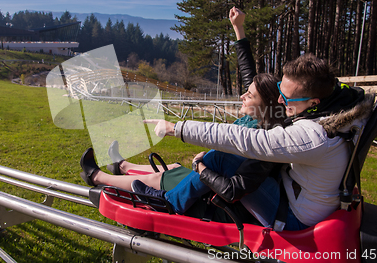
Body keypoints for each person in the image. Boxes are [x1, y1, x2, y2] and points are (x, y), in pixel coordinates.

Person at [142, 53, 374, 231]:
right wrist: (239, 32)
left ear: (313, 101)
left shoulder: (313, 138)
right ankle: (173, 198)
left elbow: (245, 140)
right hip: (300, 196)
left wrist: (176, 128)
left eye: (286, 97)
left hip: (293, 217)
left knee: (223, 156)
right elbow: (256, 83)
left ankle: (170, 203)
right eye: (280, 92)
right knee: (229, 158)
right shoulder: (337, 102)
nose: (280, 101)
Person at [80, 72, 286, 223]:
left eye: (249, 95)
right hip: (216, 185)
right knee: (175, 167)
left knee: (161, 177)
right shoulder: (256, 123)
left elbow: (234, 185)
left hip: (222, 195)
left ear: (264, 104)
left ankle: (98, 177)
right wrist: (239, 31)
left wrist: (200, 166)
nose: (242, 96)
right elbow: (252, 75)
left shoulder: (263, 139)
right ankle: (123, 165)